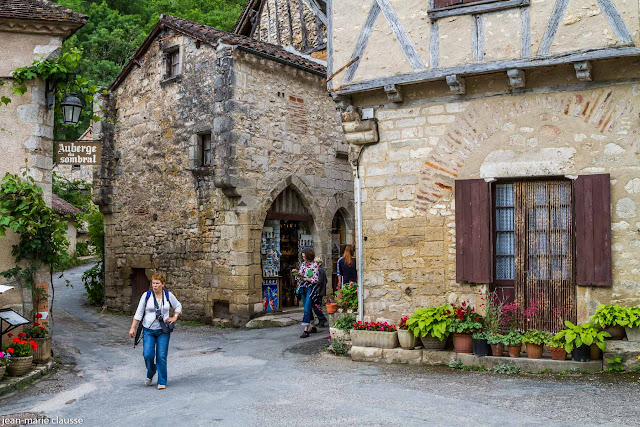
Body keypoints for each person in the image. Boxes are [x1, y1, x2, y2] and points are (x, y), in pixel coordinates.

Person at [129, 273, 182, 390]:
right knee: (148, 354)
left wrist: (175, 317)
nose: (155, 285)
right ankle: (151, 371)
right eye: (153, 283)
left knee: (161, 356)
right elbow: (139, 312)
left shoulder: (168, 295)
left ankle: (162, 381)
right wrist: (133, 327)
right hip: (148, 330)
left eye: (157, 283)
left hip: (163, 331)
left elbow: (178, 306)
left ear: (162, 284)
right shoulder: (146, 296)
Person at [292, 248, 319, 338]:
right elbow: (300, 276)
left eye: (304, 257)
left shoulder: (314, 265)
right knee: (308, 307)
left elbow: (315, 279)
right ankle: (313, 326)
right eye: (302, 257)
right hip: (303, 288)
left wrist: (305, 278)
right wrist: (297, 273)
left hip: (311, 287)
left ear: (309, 256)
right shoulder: (303, 264)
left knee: (307, 307)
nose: (303, 258)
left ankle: (305, 330)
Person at [309, 257, 328, 328]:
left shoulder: (319, 270)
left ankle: (322, 319)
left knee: (315, 306)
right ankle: (321, 320)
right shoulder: (321, 269)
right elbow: (325, 280)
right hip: (320, 290)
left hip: (318, 291)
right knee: (317, 306)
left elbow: (318, 281)